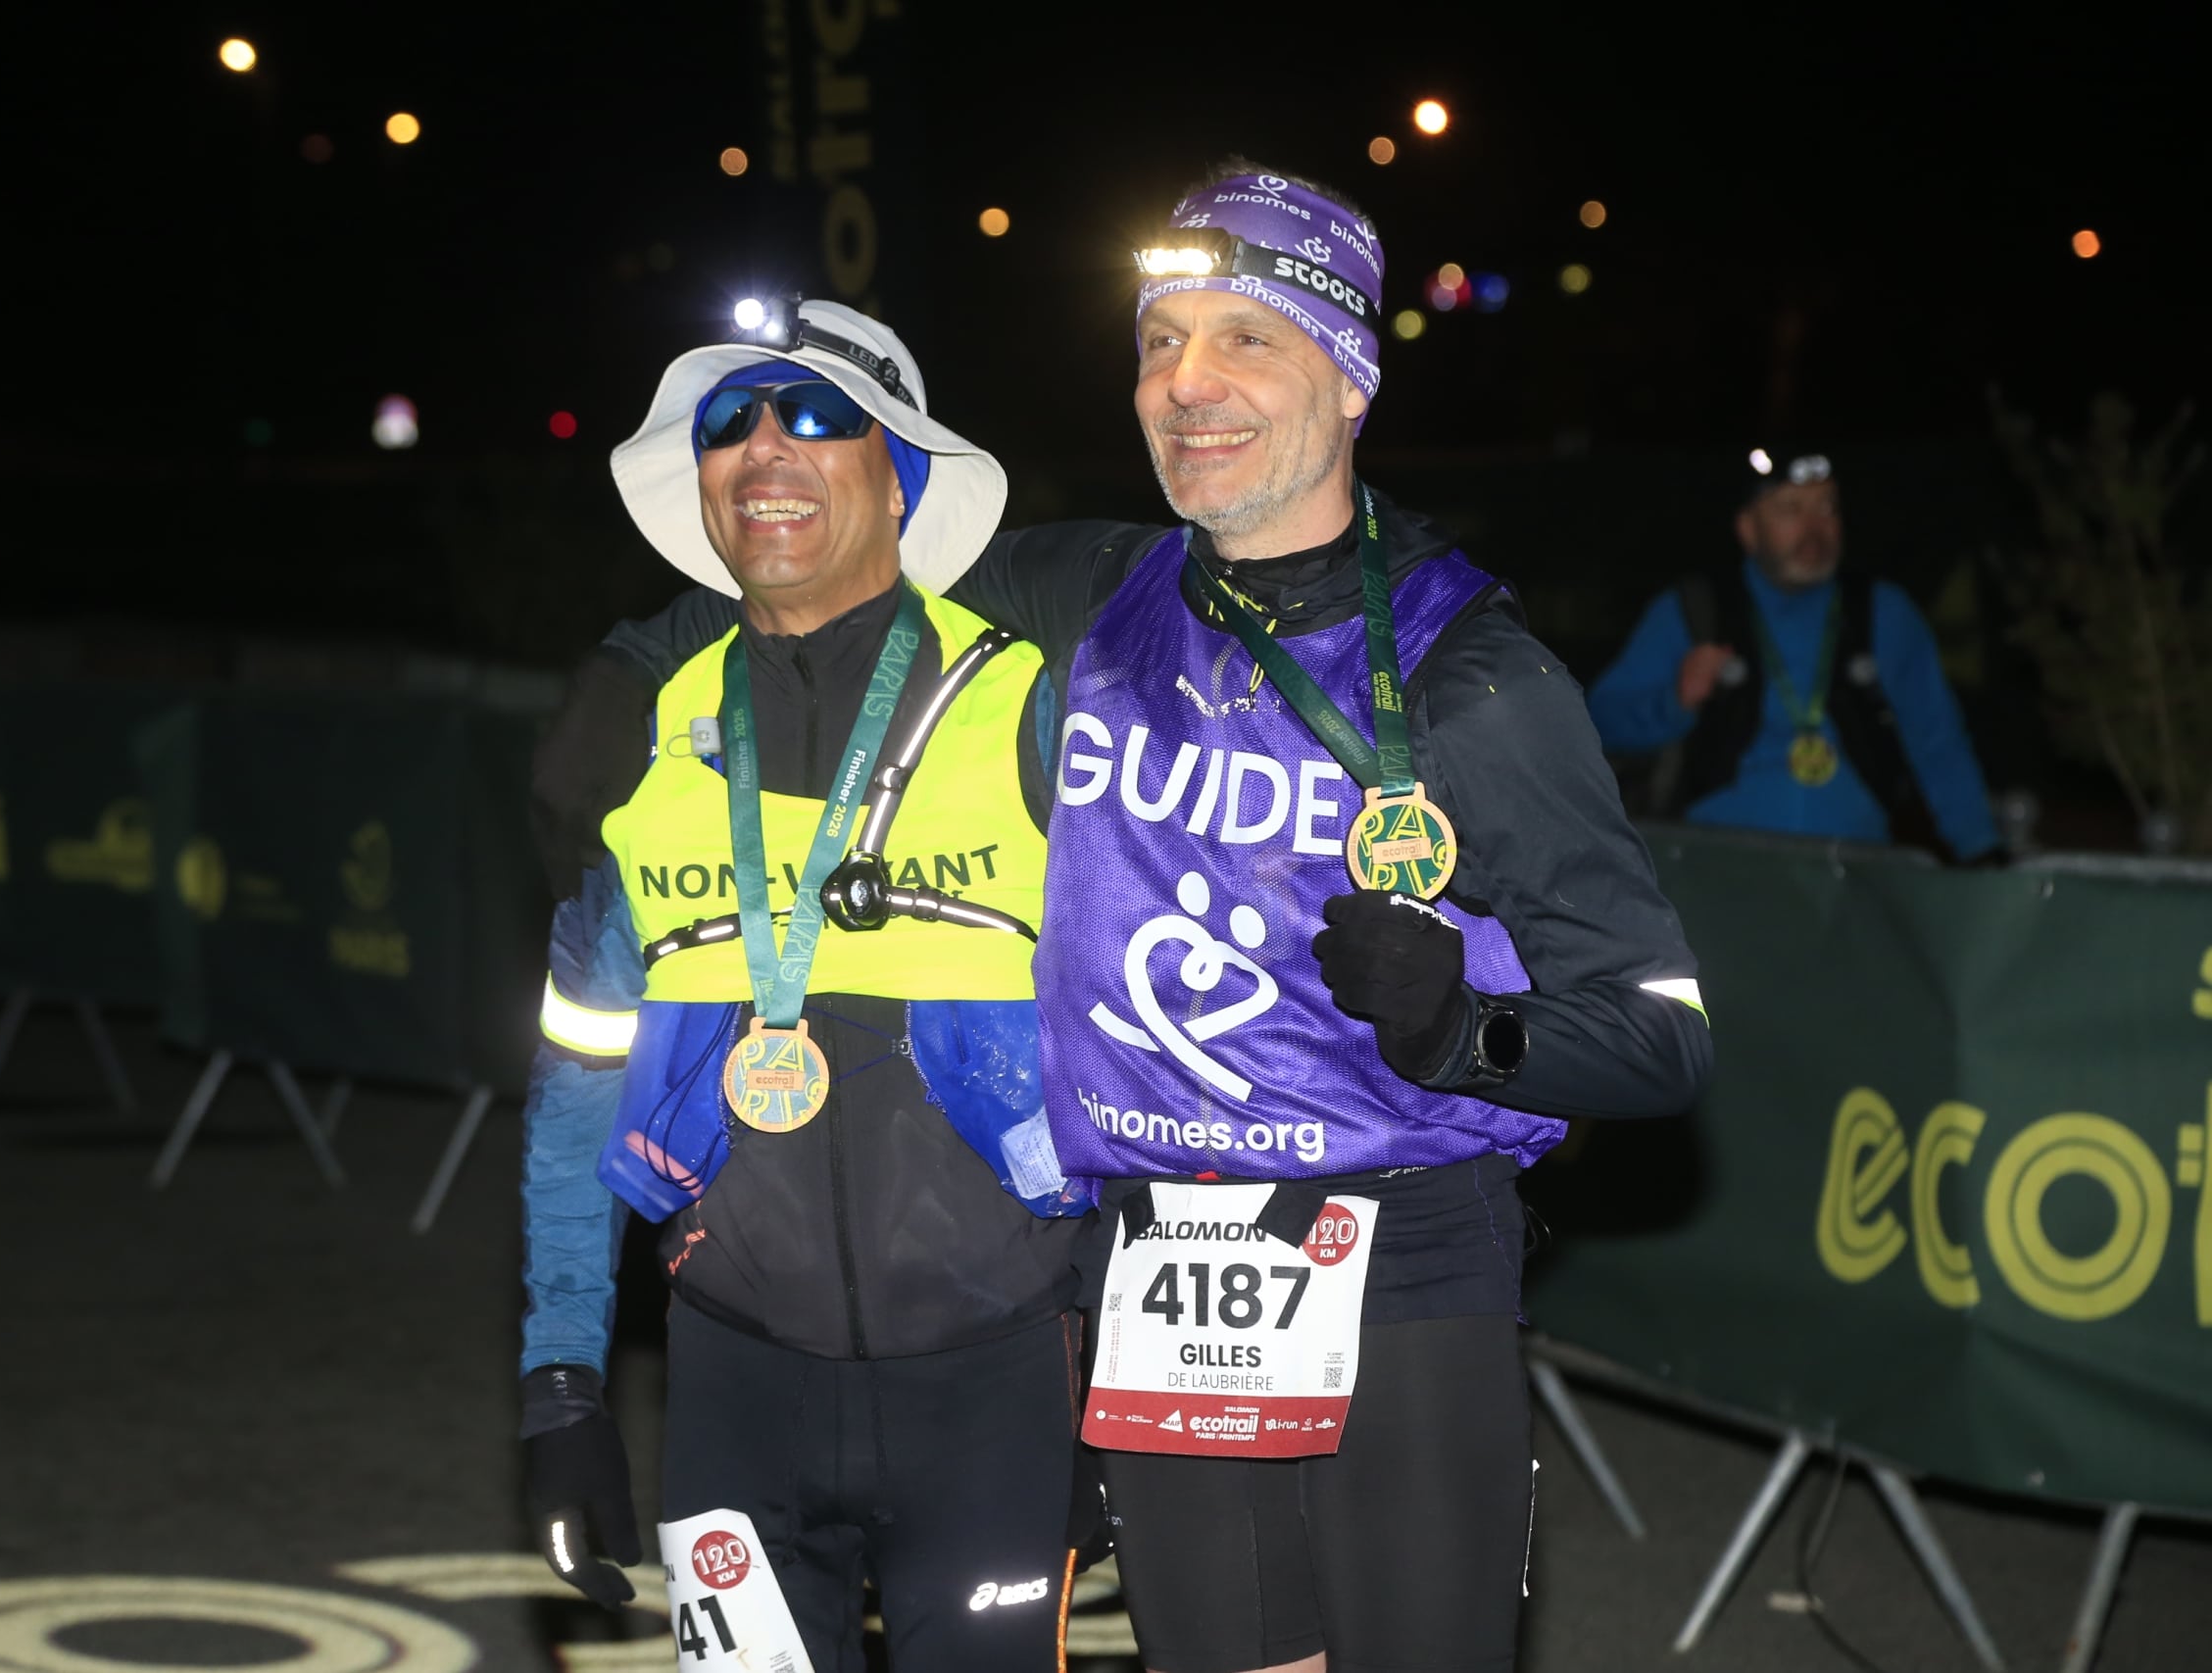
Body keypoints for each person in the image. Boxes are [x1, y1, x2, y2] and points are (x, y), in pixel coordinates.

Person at [562, 160, 1711, 1673]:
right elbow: (828, 556)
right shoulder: (1081, 595)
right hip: (1163, 1259)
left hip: (1404, 1254)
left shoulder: (1473, 678)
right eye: (1160, 344)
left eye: (1249, 339)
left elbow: (1661, 1041)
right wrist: (638, 669)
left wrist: (1460, 1022)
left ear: (1352, 380)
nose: (1190, 384)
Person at [517, 299, 1104, 1673]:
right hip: (732, 1388)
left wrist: (1132, 1396)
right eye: (730, 422)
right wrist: (560, 1381)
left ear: (899, 475)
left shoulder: (1036, 712)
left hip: (998, 1382)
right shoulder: (647, 750)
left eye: (816, 413)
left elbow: (1156, 1068)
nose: (763, 447)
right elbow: (576, 1085)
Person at [1586, 448, 2002, 861]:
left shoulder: (1884, 613)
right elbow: (1598, 723)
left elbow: (1939, 743)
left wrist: (1981, 848)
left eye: (1827, 507)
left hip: (1854, 873)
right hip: (1719, 868)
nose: (1814, 528)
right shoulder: (1694, 611)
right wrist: (1673, 701)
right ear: (1748, 529)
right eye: (1791, 510)